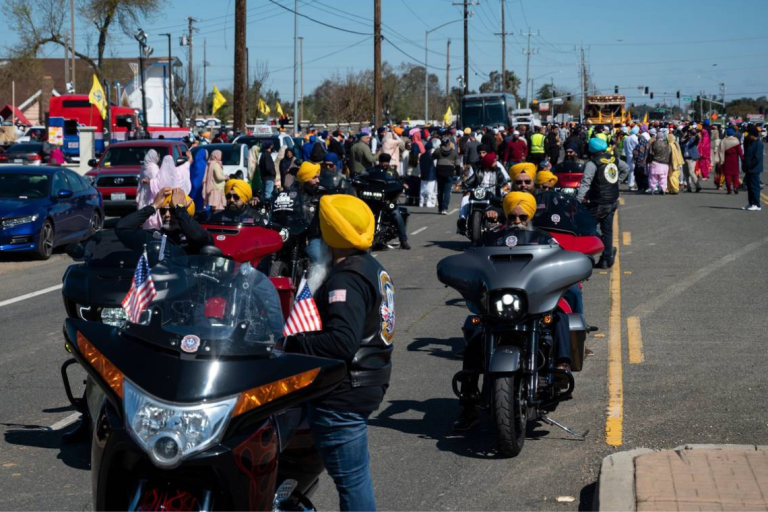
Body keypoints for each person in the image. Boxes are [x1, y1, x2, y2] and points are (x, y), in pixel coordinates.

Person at [280, 194, 394, 512]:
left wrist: (292, 343)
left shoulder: (346, 277)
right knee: (354, 478)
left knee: (352, 483)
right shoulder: (371, 266)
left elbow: (342, 342)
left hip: (343, 391)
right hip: (366, 382)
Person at [576, 137, 630, 269]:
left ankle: (596, 254)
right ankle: (606, 257)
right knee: (607, 230)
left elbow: (585, 183)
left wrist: (578, 200)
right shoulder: (613, 159)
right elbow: (626, 168)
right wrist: (616, 182)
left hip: (598, 201)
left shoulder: (592, 163)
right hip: (612, 200)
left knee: (587, 228)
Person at [117, 187, 214, 253]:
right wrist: (153, 206)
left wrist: (179, 209)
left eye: (172, 211)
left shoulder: (196, 237)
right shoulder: (154, 237)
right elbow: (122, 228)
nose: (167, 215)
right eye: (163, 211)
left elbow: (198, 237)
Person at [361, 153, 411, 249]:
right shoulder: (372, 171)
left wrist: (402, 184)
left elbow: (399, 181)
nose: (384, 164)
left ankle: (403, 240)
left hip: (387, 200)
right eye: (383, 162)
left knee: (397, 215)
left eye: (386, 162)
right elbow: (362, 177)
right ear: (379, 161)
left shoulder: (392, 172)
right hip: (373, 200)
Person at [434, 136, 462, 214]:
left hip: (439, 173)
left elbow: (431, 158)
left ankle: (440, 208)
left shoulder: (438, 151)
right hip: (449, 173)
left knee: (440, 191)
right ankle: (445, 208)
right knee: (447, 191)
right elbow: (457, 165)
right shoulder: (454, 152)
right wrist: (458, 174)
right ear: (449, 143)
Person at [741, 125, 763, 211]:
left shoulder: (758, 144)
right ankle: (751, 203)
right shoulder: (751, 142)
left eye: (749, 134)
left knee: (755, 187)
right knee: (749, 187)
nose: (748, 136)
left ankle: (757, 204)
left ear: (753, 135)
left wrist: (749, 165)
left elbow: (757, 158)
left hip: (754, 169)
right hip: (750, 169)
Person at [718, 128, 742, 195]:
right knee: (735, 175)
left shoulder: (724, 141)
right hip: (735, 160)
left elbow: (721, 151)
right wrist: (743, 159)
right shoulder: (736, 141)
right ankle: (735, 187)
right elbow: (740, 152)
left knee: (728, 175)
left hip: (727, 160)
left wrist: (721, 160)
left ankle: (729, 190)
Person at [682, 126, 702, 193]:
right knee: (686, 173)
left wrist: (695, 134)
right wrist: (687, 136)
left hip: (692, 158)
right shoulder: (685, 140)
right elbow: (682, 141)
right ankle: (689, 187)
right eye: (688, 132)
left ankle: (698, 186)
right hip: (685, 158)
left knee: (691, 172)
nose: (689, 134)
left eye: (690, 133)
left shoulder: (694, 140)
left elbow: (698, 139)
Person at [419, 140, 437, 208]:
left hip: (423, 174)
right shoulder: (432, 156)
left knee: (422, 190)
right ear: (431, 149)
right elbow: (435, 165)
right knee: (430, 190)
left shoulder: (421, 156)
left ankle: (421, 202)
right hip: (431, 175)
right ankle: (428, 203)